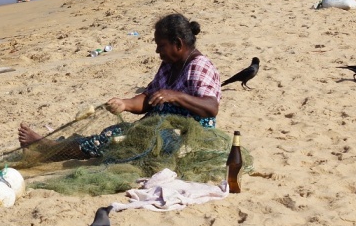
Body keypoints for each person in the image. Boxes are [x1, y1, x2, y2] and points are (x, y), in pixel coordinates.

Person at [18, 13, 221, 159]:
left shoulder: (199, 66)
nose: (157, 51)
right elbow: (148, 99)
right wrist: (124, 104)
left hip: (185, 135)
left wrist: (175, 96)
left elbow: (211, 108)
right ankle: (53, 148)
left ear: (178, 43)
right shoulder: (168, 66)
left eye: (161, 45)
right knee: (114, 132)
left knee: (118, 142)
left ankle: (49, 149)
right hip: (161, 125)